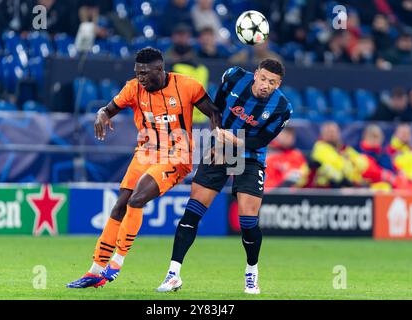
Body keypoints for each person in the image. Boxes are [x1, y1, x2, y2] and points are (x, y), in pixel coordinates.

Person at [66, 47, 221, 288]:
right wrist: (101, 114)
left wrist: (217, 140)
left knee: (136, 200)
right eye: (137, 73)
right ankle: (95, 271)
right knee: (119, 205)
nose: (140, 78)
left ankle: (116, 263)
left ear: (160, 69)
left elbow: (213, 112)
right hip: (145, 153)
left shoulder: (188, 86)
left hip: (176, 155)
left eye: (145, 74)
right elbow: (109, 109)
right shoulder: (133, 88)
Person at [156, 59, 293, 294]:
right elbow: (215, 110)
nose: (265, 85)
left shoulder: (282, 107)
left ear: (278, 84)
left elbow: (260, 141)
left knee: (248, 221)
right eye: (263, 79)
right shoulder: (234, 77)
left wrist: (233, 142)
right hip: (219, 147)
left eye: (272, 82)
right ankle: (173, 274)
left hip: (251, 156)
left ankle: (251, 274)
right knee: (193, 211)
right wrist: (219, 140)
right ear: (256, 74)